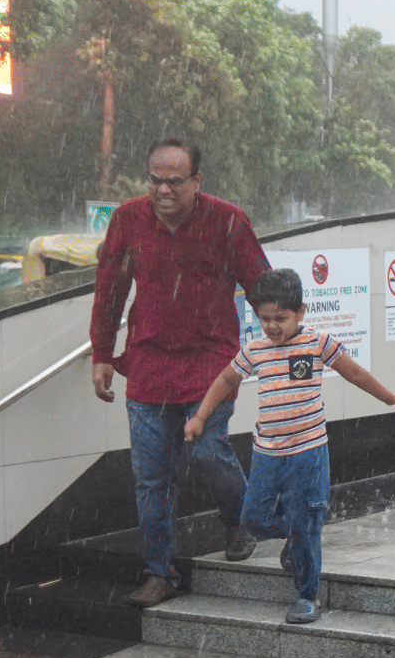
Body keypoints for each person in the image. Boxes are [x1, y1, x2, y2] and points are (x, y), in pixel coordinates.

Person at [90, 139, 271, 609]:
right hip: (148, 364)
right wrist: (103, 354)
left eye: (174, 180)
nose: (163, 189)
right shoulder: (128, 220)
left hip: (212, 360)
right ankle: (159, 572)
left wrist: (281, 341)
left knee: (210, 451)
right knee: (150, 476)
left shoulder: (229, 220)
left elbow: (261, 284)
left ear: (197, 181)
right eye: (155, 179)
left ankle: (238, 517)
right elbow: (109, 288)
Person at [183, 269, 395, 624]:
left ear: (301, 312)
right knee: (254, 519)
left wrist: (390, 398)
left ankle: (308, 595)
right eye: (265, 318)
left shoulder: (316, 342)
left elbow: (354, 373)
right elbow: (226, 379)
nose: (273, 326)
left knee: (305, 522)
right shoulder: (255, 350)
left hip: (308, 451)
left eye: (281, 318)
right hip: (266, 453)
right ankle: (298, 532)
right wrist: (200, 417)